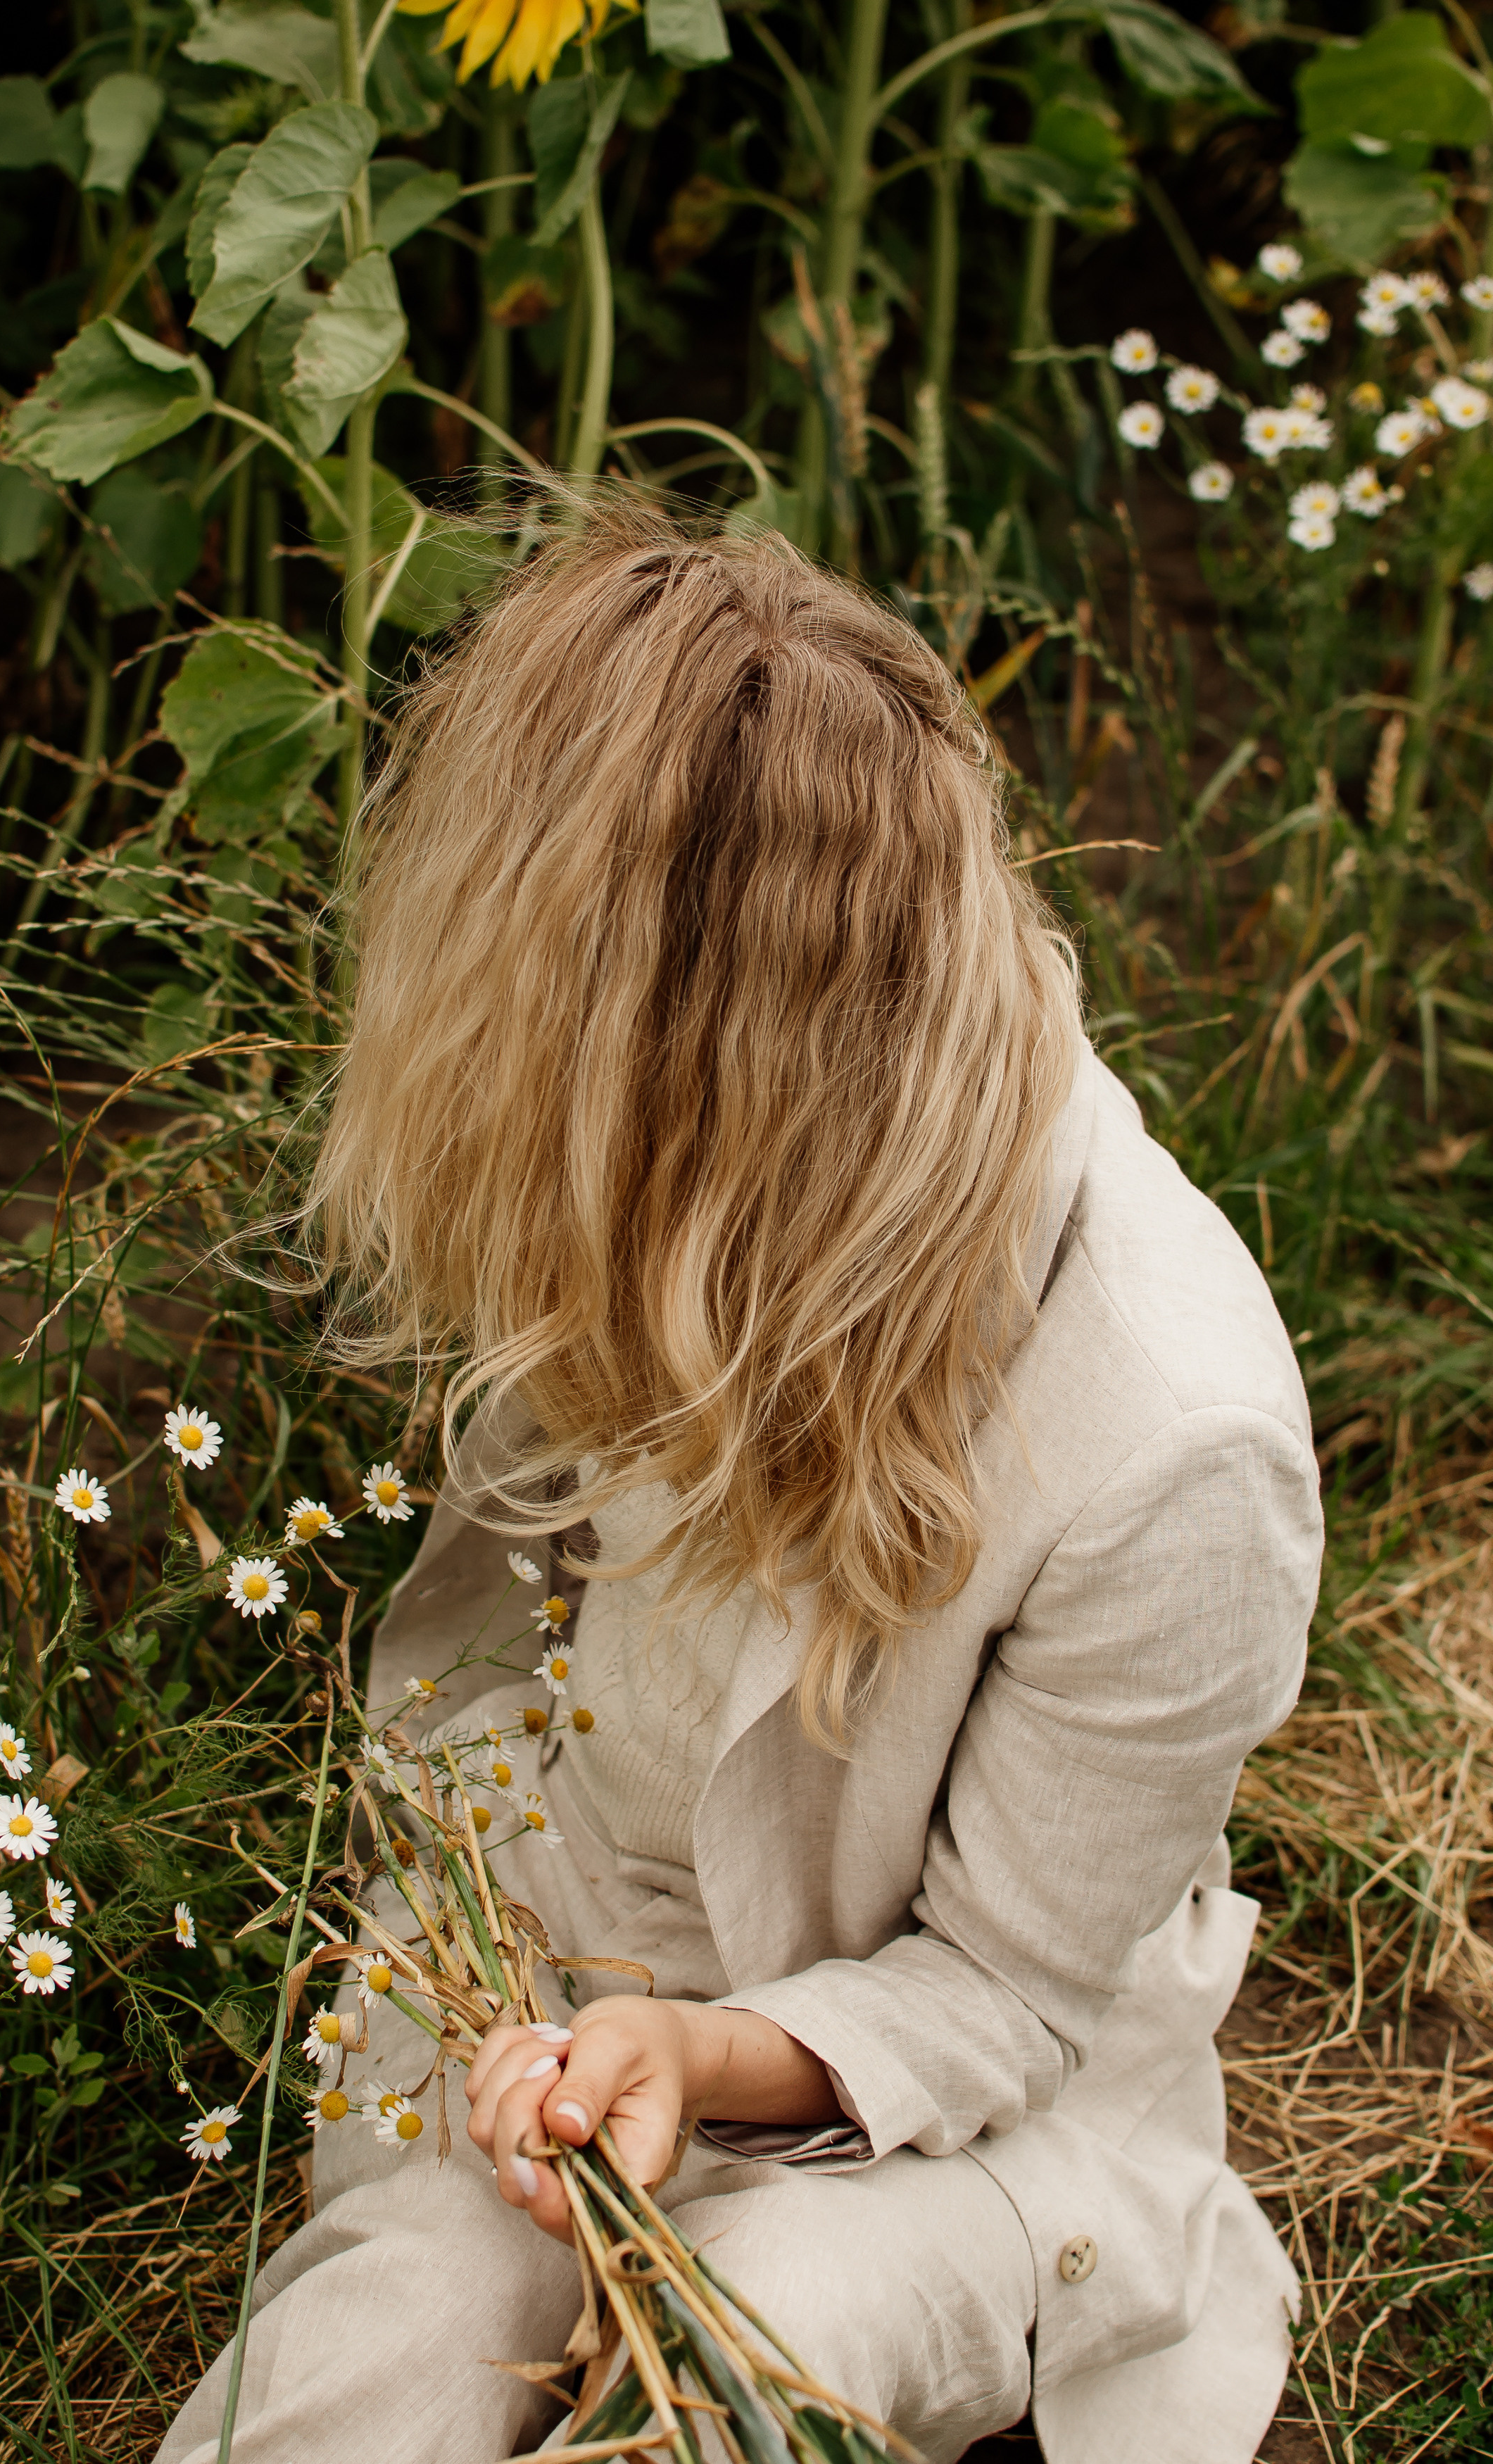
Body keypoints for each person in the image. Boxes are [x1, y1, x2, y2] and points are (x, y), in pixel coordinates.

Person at [159, 505, 1322, 2464]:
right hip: (566, 1962)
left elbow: (1011, 2001)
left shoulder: (1172, 1447)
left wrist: (705, 2055)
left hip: (951, 2110)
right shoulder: (645, 1196)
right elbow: (503, 1640)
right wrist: (539, 1995)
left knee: (741, 2342)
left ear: (729, 1099)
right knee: (388, 2353)